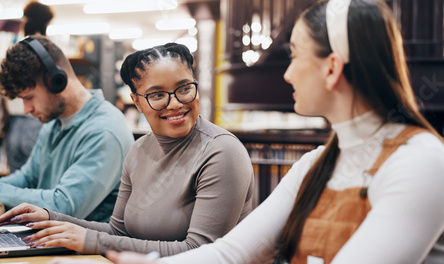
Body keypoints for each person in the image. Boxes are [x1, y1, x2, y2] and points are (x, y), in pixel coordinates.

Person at [53, 0, 444, 263]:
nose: (287, 72)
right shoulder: (316, 163)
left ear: (332, 67)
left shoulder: (422, 160)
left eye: (294, 55)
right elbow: (232, 252)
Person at [0, 42, 254, 257]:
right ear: (136, 102)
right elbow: (119, 231)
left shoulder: (222, 153)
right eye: (157, 94)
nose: (175, 103)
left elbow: (200, 253)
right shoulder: (139, 150)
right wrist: (51, 217)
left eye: (184, 89)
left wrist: (92, 241)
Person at [0, 35, 135, 223]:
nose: (26, 110)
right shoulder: (54, 123)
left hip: (89, 249)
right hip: (51, 239)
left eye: (29, 97)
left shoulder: (105, 130)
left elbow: (63, 206)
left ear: (56, 80)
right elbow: (28, 177)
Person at [0, 1, 53, 172]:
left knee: (17, 183)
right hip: (41, 126)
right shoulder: (52, 57)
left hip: (13, 128)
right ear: (46, 25)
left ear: (24, 23)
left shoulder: (7, 56)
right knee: (40, 182)